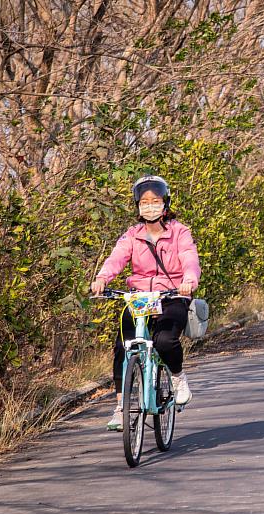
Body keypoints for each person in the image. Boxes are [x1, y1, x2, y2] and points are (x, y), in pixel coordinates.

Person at [91, 175, 200, 431]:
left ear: (165, 204)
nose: (150, 206)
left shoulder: (179, 232)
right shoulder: (132, 235)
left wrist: (188, 280)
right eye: (144, 202)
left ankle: (177, 377)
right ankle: (121, 406)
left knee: (164, 341)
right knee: (123, 346)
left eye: (155, 201)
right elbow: (116, 258)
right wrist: (102, 278)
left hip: (172, 295)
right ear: (137, 206)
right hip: (139, 298)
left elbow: (189, 258)